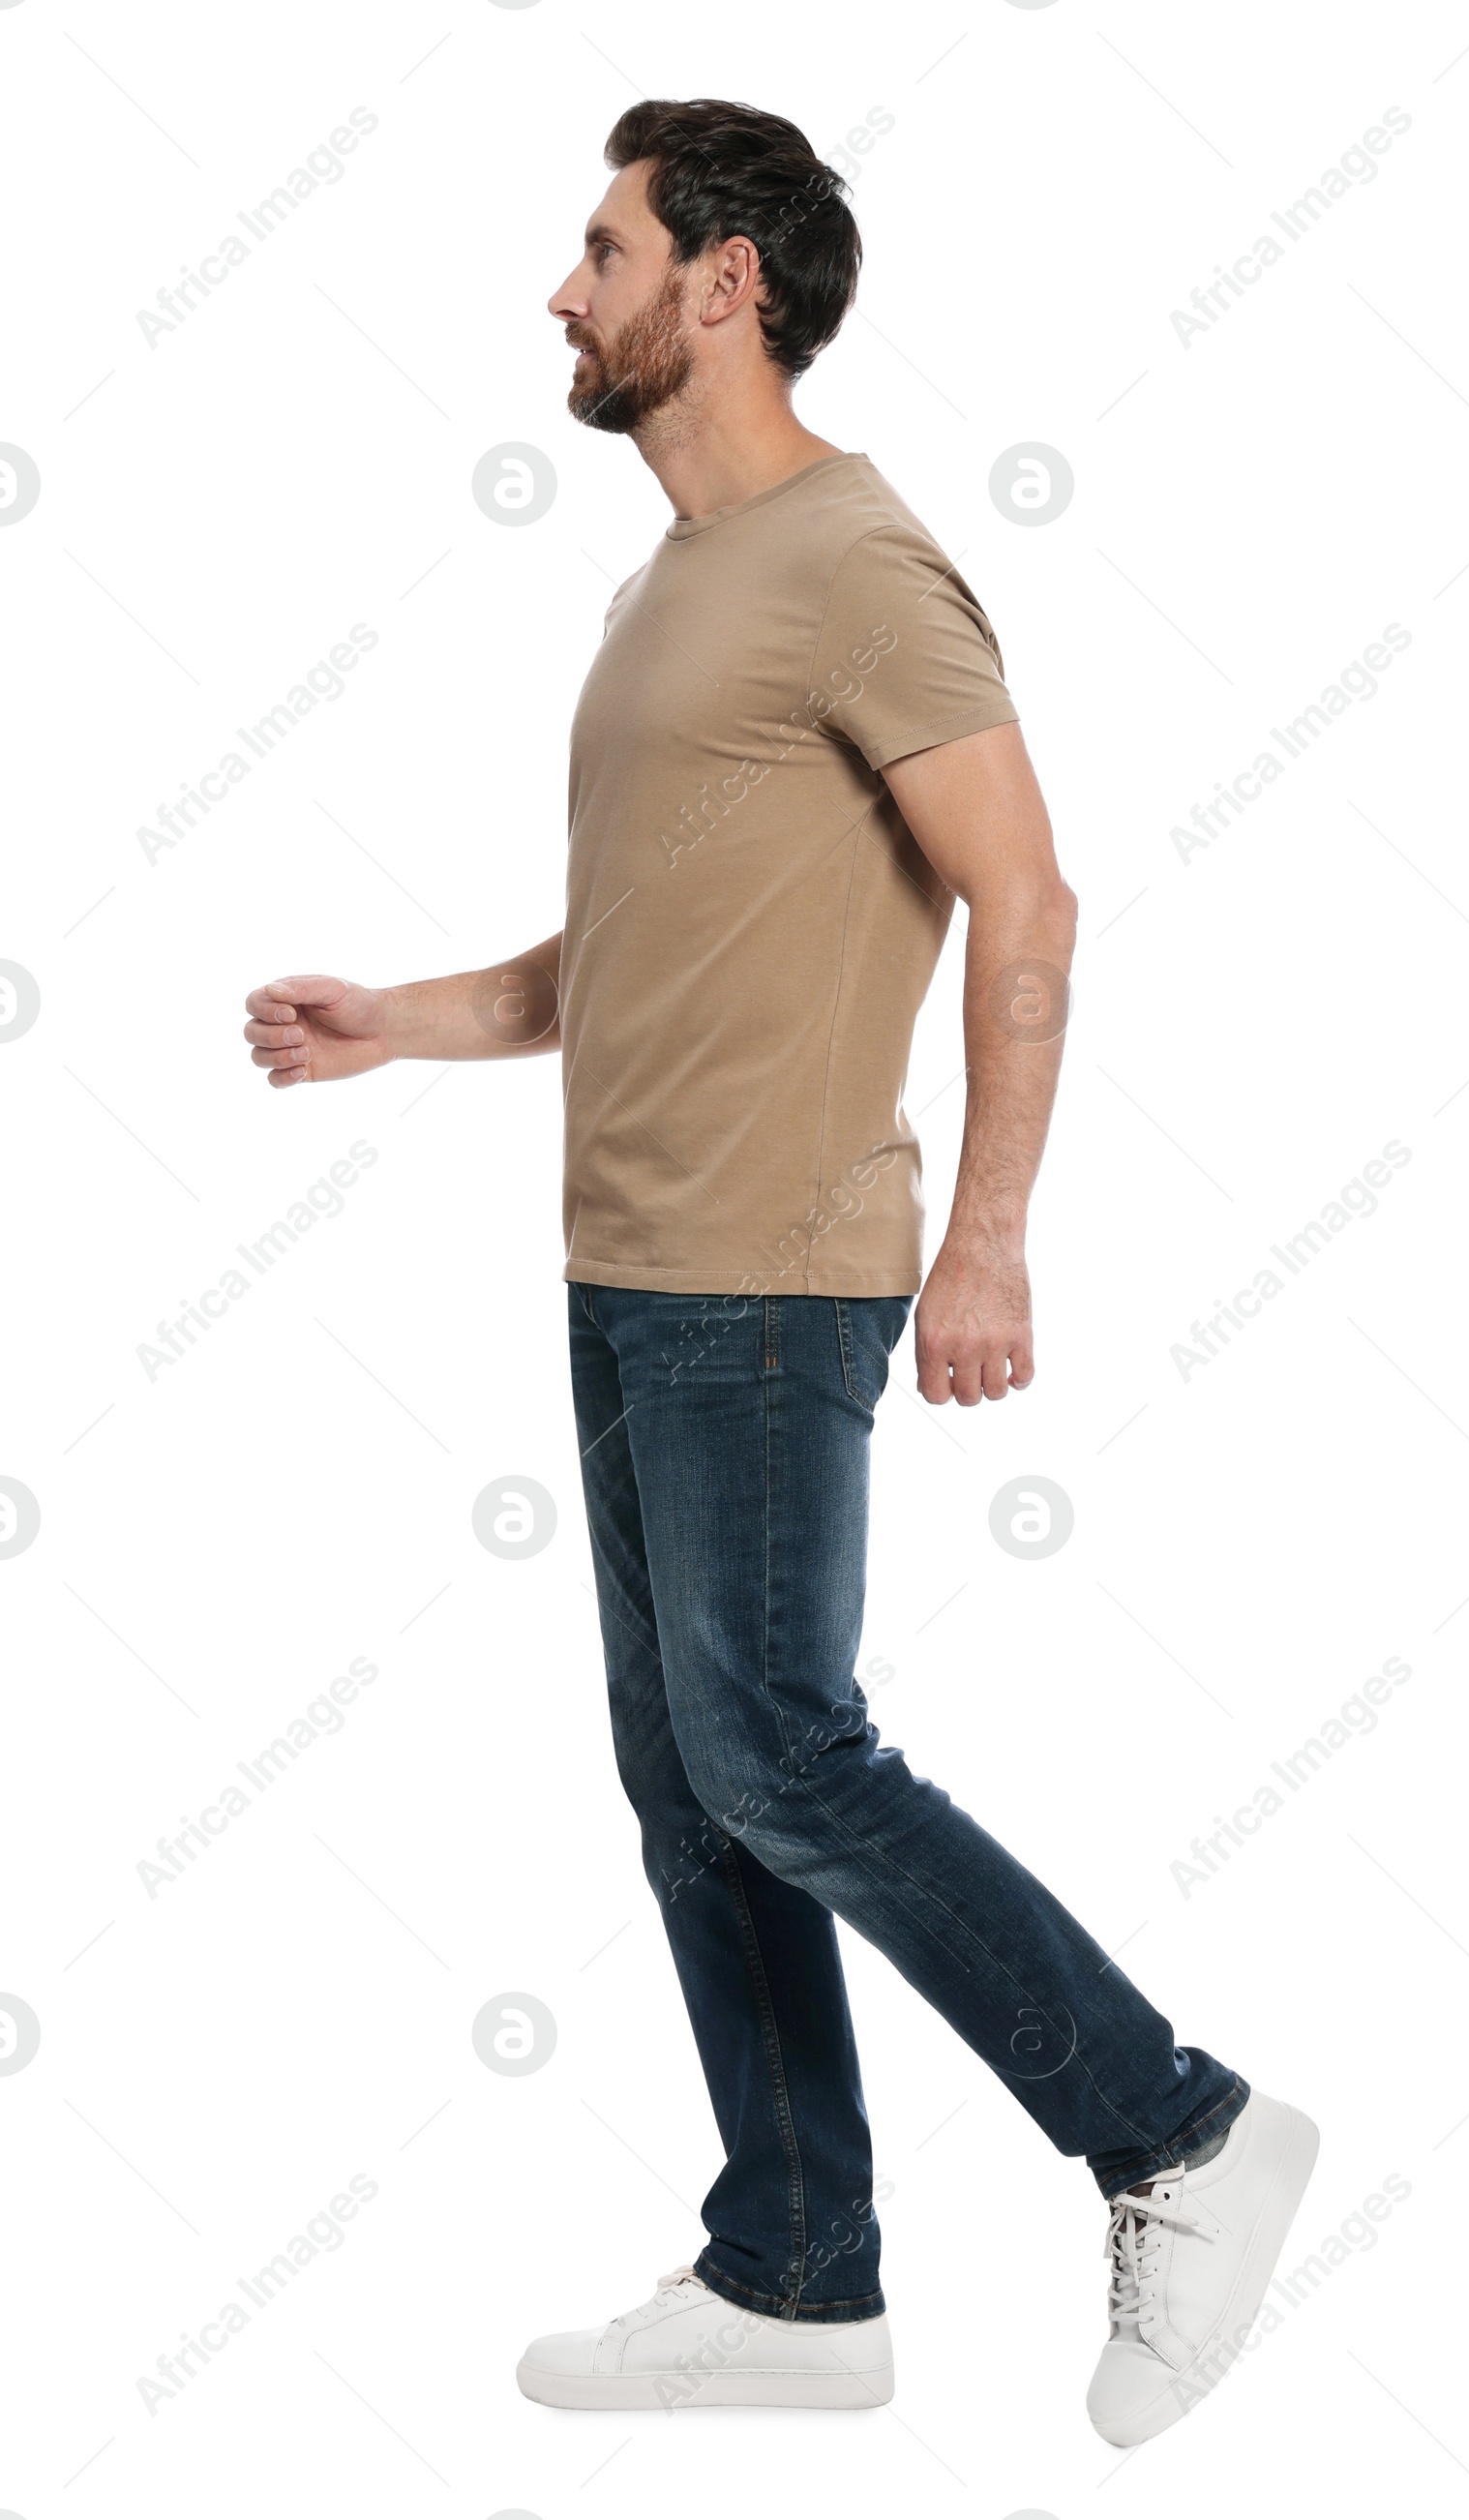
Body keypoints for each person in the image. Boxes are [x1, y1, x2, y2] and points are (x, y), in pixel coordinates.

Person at [242, 97, 1316, 2445]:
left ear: (719, 282)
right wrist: (399, 1020)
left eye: (599, 247)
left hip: (773, 1271)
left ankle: (1180, 2133)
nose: (562, 289)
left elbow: (1022, 899)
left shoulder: (858, 561)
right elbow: (623, 950)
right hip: (623, 1271)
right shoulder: (666, 592)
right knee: (690, 1779)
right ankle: (796, 2276)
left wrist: (990, 1235)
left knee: (779, 1751)